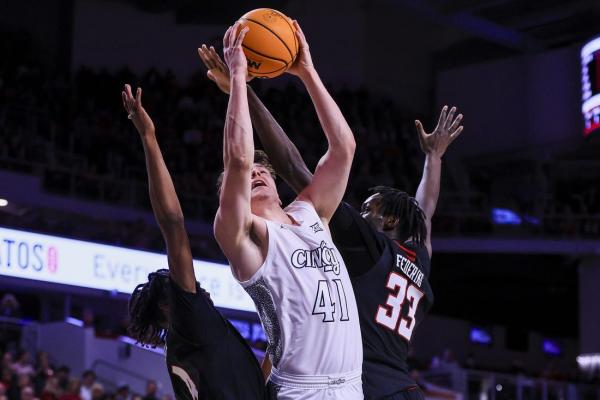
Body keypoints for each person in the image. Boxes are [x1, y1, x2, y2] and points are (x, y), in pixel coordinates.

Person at [200, 47, 462, 400]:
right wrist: (433, 159)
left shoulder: (359, 241)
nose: (358, 212)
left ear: (389, 220)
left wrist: (290, 73)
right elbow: (424, 212)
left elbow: (316, 157)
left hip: (365, 387)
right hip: (360, 386)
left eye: (369, 209)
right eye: (251, 173)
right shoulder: (417, 258)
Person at [213, 21, 362, 399]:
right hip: (300, 391)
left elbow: (344, 147)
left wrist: (307, 72)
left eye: (264, 170)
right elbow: (238, 158)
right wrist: (238, 78)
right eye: (249, 174)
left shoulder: (313, 211)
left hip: (351, 387)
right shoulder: (243, 234)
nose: (257, 172)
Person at [122, 84, 271, 400]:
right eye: (178, 283)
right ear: (167, 304)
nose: (194, 283)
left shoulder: (186, 344)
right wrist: (148, 138)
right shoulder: (189, 318)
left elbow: (246, 385)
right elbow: (173, 224)